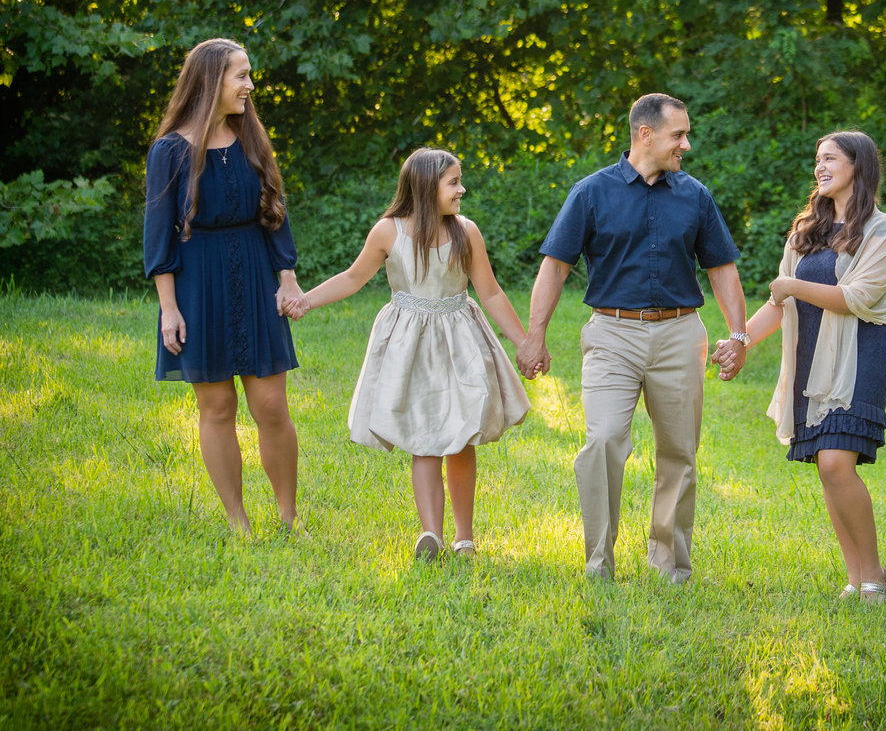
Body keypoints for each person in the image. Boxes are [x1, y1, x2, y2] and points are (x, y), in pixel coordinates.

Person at [516, 93, 747, 584]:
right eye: (678, 135)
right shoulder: (590, 193)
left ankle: (670, 565)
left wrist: (738, 335)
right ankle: (599, 561)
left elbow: (722, 269)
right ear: (646, 135)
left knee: (679, 452)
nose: (686, 143)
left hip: (681, 333)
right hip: (612, 333)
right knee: (601, 441)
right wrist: (534, 336)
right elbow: (554, 267)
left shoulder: (695, 195)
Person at [284, 148, 531, 561]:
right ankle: (430, 534)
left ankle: (464, 537)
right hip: (409, 345)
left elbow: (490, 292)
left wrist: (524, 342)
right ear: (424, 186)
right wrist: (306, 301)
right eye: (453, 182)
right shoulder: (388, 232)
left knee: (461, 435)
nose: (461, 189)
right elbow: (352, 277)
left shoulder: (465, 231)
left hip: (459, 342)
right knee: (424, 439)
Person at [717, 130, 886, 604]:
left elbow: (857, 298)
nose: (819, 168)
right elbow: (779, 303)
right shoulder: (807, 232)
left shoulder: (882, 230)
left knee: (839, 462)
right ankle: (857, 577)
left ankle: (876, 577)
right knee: (826, 467)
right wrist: (738, 341)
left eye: (829, 159)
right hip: (810, 356)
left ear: (857, 166)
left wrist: (792, 287)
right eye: (816, 160)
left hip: (859, 355)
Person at [143, 38, 303, 535]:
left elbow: (273, 211)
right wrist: (169, 310)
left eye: (249, 76)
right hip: (198, 283)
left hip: (255, 276)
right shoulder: (169, 152)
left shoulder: (250, 137)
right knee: (217, 407)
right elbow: (158, 237)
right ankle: (238, 522)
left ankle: (288, 517)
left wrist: (287, 276)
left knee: (271, 405)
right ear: (212, 80)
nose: (250, 86)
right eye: (242, 76)